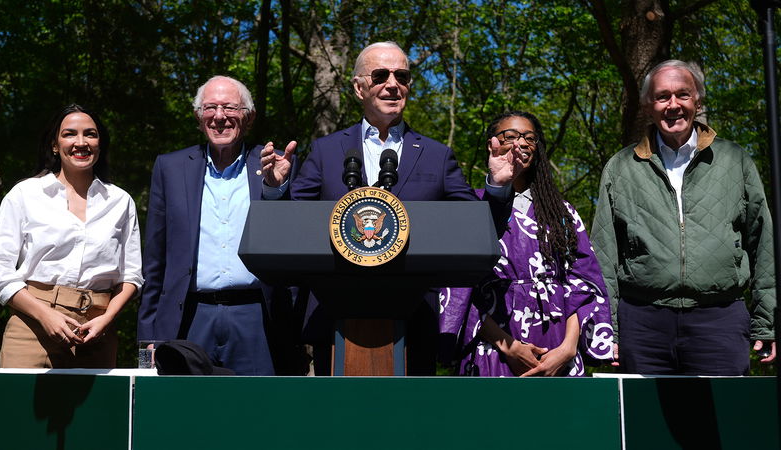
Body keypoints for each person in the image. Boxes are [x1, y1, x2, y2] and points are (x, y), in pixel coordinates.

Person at [292, 41, 507, 375]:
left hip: (414, 318)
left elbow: (474, 229)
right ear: (358, 87)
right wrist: (275, 189)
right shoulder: (325, 151)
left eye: (402, 76)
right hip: (335, 313)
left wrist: (495, 188)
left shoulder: (437, 155)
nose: (393, 84)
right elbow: (292, 224)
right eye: (380, 75)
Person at [590, 60, 776, 375]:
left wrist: (767, 321)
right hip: (642, 325)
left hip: (720, 320)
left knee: (724, 422)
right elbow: (603, 257)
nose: (673, 105)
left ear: (697, 101)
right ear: (648, 105)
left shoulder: (734, 161)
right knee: (643, 422)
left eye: (683, 95)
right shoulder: (621, 167)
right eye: (663, 97)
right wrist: (609, 331)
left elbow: (764, 245)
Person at [137, 75, 297, 375]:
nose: (220, 116)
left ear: (247, 117)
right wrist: (147, 340)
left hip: (257, 318)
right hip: (189, 318)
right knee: (186, 416)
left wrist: (275, 188)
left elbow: (291, 245)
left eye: (230, 108)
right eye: (210, 107)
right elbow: (155, 262)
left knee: (257, 413)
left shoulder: (274, 165)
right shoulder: (169, 168)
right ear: (199, 117)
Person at [440, 111, 614, 376]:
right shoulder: (470, 206)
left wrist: (567, 348)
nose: (520, 143)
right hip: (494, 344)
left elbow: (583, 284)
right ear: (492, 145)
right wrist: (508, 347)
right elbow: (459, 289)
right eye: (509, 136)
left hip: (556, 345)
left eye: (529, 138)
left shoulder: (562, 212)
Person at [0, 104, 143, 368]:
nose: (80, 142)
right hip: (32, 328)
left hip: (97, 332)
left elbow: (131, 276)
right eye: (70, 134)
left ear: (100, 144)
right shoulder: (25, 194)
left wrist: (106, 319)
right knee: (20, 409)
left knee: (97, 411)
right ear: (55, 145)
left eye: (90, 134)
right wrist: (45, 315)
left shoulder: (121, 201)